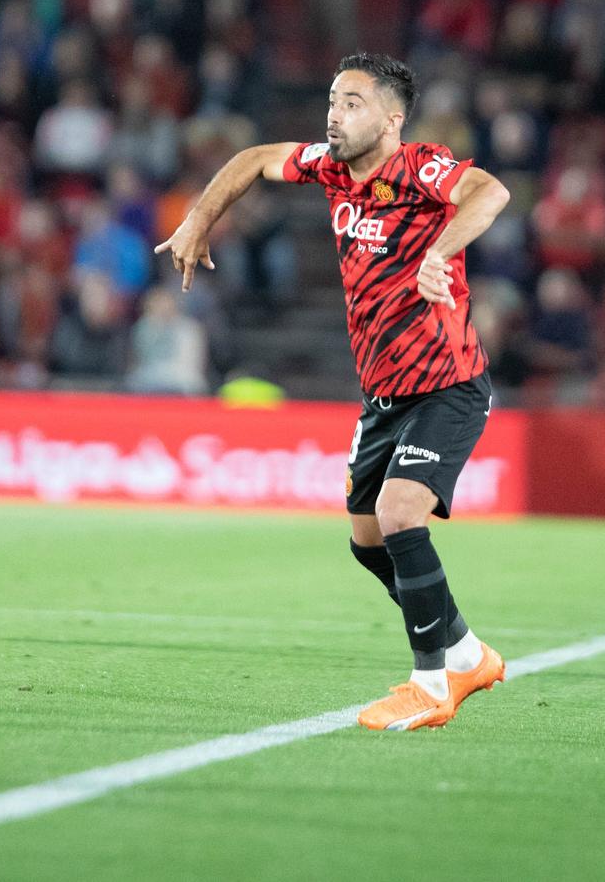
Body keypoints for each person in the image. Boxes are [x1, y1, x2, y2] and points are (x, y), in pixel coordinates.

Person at [155, 52, 512, 732]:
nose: (335, 114)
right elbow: (255, 158)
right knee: (368, 537)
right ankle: (466, 649)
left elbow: (489, 193)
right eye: (331, 101)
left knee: (401, 511)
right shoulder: (328, 166)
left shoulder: (419, 166)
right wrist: (201, 217)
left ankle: (432, 682)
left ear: (391, 117)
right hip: (384, 393)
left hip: (448, 382)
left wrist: (438, 254)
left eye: (352, 102)